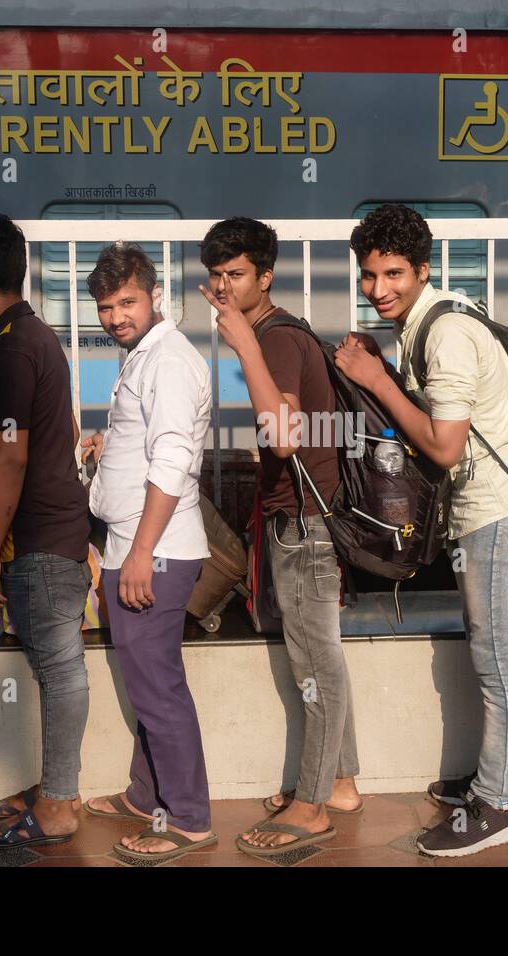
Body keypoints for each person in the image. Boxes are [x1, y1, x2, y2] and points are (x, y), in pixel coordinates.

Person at [334, 203, 508, 857]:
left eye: (393, 273)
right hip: (483, 512)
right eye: (369, 275)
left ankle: (499, 805)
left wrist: (373, 379)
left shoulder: (445, 332)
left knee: (496, 657)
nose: (379, 289)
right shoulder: (424, 327)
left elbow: (445, 447)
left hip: (495, 513)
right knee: (495, 652)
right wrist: (386, 370)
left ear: (423, 270)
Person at [199, 217, 363, 856]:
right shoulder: (273, 334)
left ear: (265, 277)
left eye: (235, 275)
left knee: (315, 662)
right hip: (296, 518)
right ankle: (340, 783)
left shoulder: (277, 339)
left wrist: (242, 343)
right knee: (322, 656)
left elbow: (285, 435)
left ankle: (314, 803)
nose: (222, 288)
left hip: (307, 524)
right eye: (214, 276)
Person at [0, 215, 93, 852]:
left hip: (37, 539)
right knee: (57, 668)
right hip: (54, 530)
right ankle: (59, 789)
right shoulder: (33, 335)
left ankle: (58, 805)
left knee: (58, 669)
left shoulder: (10, 349)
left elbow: (13, 456)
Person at [79, 242, 217, 863]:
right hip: (133, 542)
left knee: (157, 686)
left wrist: (140, 554)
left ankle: (188, 818)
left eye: (127, 302)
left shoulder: (168, 361)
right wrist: (111, 444)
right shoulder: (143, 357)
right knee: (147, 679)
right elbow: (152, 441)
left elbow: (173, 460)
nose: (115, 316)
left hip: (153, 549)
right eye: (106, 307)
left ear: (155, 295)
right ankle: (145, 794)